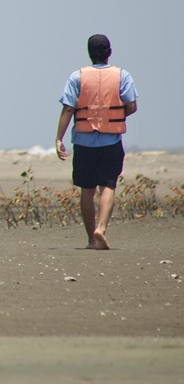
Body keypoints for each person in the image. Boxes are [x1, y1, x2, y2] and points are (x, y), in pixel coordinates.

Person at [55, 34, 138, 250]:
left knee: (87, 189)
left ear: (89, 53)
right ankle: (101, 228)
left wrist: (58, 139)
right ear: (109, 52)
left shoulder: (77, 76)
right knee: (108, 185)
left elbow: (68, 108)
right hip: (111, 141)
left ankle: (91, 239)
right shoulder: (122, 75)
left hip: (84, 142)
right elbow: (132, 106)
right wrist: (114, 116)